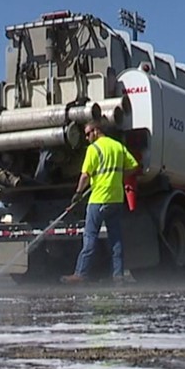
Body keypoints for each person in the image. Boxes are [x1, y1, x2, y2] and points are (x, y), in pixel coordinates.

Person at [61, 120, 140, 284]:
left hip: (97, 199)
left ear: (97, 131)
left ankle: (80, 274)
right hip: (116, 199)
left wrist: (77, 193)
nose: (87, 137)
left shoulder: (93, 149)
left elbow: (85, 175)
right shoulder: (118, 147)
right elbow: (134, 166)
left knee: (89, 237)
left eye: (88, 133)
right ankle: (118, 275)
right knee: (116, 239)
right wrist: (120, 176)